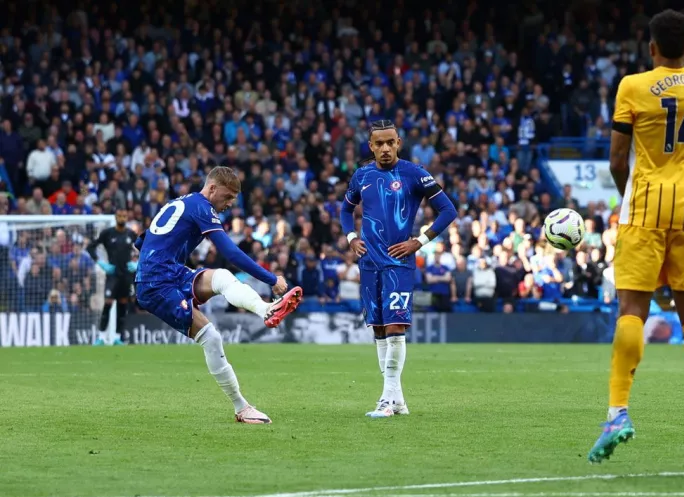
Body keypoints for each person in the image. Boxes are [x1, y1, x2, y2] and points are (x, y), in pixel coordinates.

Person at [587, 9, 684, 469]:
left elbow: (617, 158)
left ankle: (618, 414)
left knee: (631, 311)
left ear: (651, 47)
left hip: (644, 205)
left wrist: (632, 198)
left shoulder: (633, 86)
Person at [134, 166, 303, 424]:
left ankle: (266, 309)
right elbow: (231, 253)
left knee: (222, 277)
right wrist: (272, 279)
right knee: (211, 337)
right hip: (156, 283)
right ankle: (242, 407)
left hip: (170, 272)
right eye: (227, 197)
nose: (230, 204)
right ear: (212, 188)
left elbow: (142, 240)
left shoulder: (182, 202)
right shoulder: (202, 207)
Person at [340, 120, 457, 418]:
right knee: (379, 329)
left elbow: (449, 210)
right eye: (378, 143)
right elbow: (345, 209)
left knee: (395, 327)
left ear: (398, 143)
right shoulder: (362, 175)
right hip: (369, 263)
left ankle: (386, 401)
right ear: (371, 146)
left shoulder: (413, 173)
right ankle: (398, 399)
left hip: (399, 263)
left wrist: (419, 241)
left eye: (390, 142)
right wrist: (352, 237)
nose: (385, 148)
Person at [86, 208, 138, 345]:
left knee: (122, 305)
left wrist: (138, 263)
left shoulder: (131, 234)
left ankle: (117, 337)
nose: (122, 218)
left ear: (127, 217)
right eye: (120, 216)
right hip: (112, 275)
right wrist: (101, 263)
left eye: (125, 216)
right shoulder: (107, 234)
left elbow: (145, 248)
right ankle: (101, 337)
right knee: (108, 304)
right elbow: (90, 247)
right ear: (116, 217)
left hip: (126, 276)